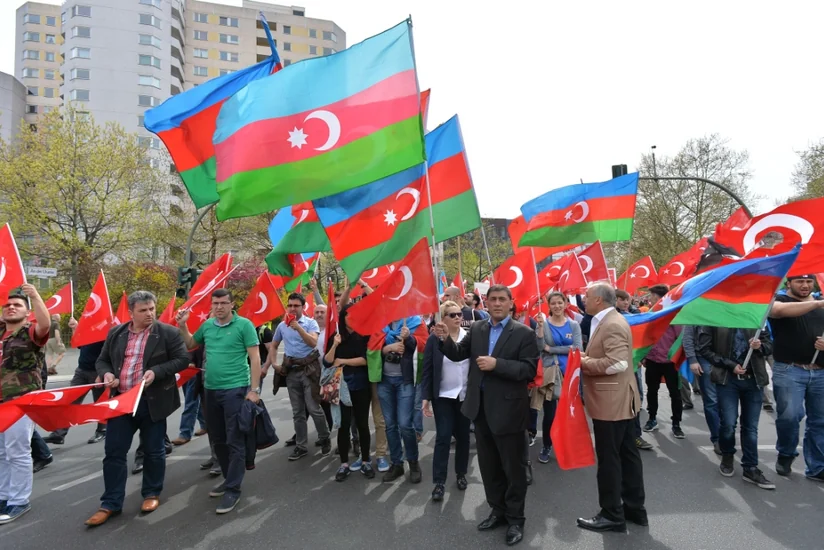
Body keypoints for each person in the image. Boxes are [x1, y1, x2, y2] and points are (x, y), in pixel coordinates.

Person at [436, 284, 539, 547]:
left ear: (511, 303)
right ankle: (498, 510)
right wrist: (444, 338)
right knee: (489, 467)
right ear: (487, 302)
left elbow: (529, 370)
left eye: (502, 299)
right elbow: (459, 354)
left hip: (509, 411)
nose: (496, 303)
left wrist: (498, 365)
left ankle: (516, 519)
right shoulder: (478, 329)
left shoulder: (525, 333)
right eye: (492, 299)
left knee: (513, 469)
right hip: (479, 409)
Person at [84, 291, 189, 527]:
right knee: (114, 452)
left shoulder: (167, 333)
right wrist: (107, 373)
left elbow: (182, 359)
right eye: (143, 310)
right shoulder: (116, 333)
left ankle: (151, 494)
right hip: (121, 401)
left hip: (152, 401)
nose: (149, 313)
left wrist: (158, 371)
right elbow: (101, 361)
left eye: (152, 308)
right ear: (131, 312)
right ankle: (110, 503)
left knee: (153, 451)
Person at [177, 288, 261, 514]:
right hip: (210, 390)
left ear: (232, 304)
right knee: (218, 439)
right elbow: (191, 344)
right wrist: (183, 326)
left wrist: (254, 390)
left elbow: (255, 358)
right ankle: (228, 479)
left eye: (224, 303)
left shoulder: (244, 325)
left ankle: (233, 488)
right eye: (215, 303)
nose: (219, 307)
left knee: (234, 440)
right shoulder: (207, 326)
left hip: (235, 390)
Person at [576, 283, 646, 533]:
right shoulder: (609, 320)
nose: (584, 299)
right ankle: (634, 509)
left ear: (598, 300)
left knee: (609, 460)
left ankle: (611, 513)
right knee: (627, 455)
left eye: (587, 296)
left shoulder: (612, 324)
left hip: (611, 402)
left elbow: (616, 363)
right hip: (619, 400)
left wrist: (584, 362)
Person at [696, 324, 775, 489]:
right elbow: (704, 349)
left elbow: (769, 346)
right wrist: (730, 364)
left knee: (751, 427)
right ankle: (727, 454)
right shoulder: (715, 319)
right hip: (727, 380)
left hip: (753, 380)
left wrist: (760, 346)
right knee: (728, 424)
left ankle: (750, 467)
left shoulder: (756, 317)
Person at [0, 285, 50, 524]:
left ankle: (19, 500)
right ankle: (3, 496)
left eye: (17, 305)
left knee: (17, 452)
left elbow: (45, 324)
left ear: (27, 312)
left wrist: (34, 296)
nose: (11, 307)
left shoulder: (31, 332)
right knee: (1, 453)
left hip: (21, 399)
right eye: (7, 305)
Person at [767, 275, 824, 481]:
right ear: (788, 283)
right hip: (790, 370)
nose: (805, 285)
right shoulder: (779, 300)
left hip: (820, 371)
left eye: (809, 282)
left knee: (820, 421)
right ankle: (786, 453)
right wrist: (817, 303)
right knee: (790, 416)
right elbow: (778, 312)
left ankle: (817, 467)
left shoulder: (820, 301)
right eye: (800, 281)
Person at [266, 293, 331, 461]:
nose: (293, 309)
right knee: (298, 412)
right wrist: (274, 363)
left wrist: (298, 328)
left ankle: (324, 438)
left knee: (314, 408)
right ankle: (301, 446)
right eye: (290, 306)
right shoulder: (281, 326)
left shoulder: (311, 323)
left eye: (296, 306)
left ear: (303, 307)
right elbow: (273, 345)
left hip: (309, 370)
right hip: (291, 371)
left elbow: (312, 342)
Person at [421, 301, 471, 502]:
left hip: (464, 396)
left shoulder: (469, 337)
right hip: (443, 395)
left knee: (463, 438)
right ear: (443, 318)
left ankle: (461, 474)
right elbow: (428, 369)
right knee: (442, 437)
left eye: (459, 314)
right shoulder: (434, 339)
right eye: (452, 315)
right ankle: (439, 482)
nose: (458, 317)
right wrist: (426, 397)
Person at [323, 305, 374, 481]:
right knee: (343, 425)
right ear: (343, 317)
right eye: (349, 315)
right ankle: (344, 463)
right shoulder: (336, 337)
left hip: (360, 384)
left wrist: (343, 360)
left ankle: (366, 460)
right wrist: (335, 345)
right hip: (340, 386)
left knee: (362, 424)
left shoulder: (364, 335)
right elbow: (328, 361)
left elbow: (365, 360)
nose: (353, 318)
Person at [533, 292, 582, 464]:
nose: (557, 306)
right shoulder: (544, 324)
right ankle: (547, 444)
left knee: (569, 413)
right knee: (550, 414)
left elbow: (577, 348)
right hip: (551, 374)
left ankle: (566, 445)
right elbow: (539, 347)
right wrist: (539, 330)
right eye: (553, 303)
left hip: (570, 373)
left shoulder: (574, 325)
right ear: (549, 305)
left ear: (566, 303)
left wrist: (551, 349)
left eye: (560, 303)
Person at [376, 316, 423, 484]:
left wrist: (409, 337)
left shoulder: (415, 321)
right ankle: (397, 464)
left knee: (405, 424)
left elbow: (424, 345)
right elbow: (371, 347)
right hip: (384, 381)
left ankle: (414, 463)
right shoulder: (380, 322)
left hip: (405, 381)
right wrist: (387, 348)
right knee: (390, 425)